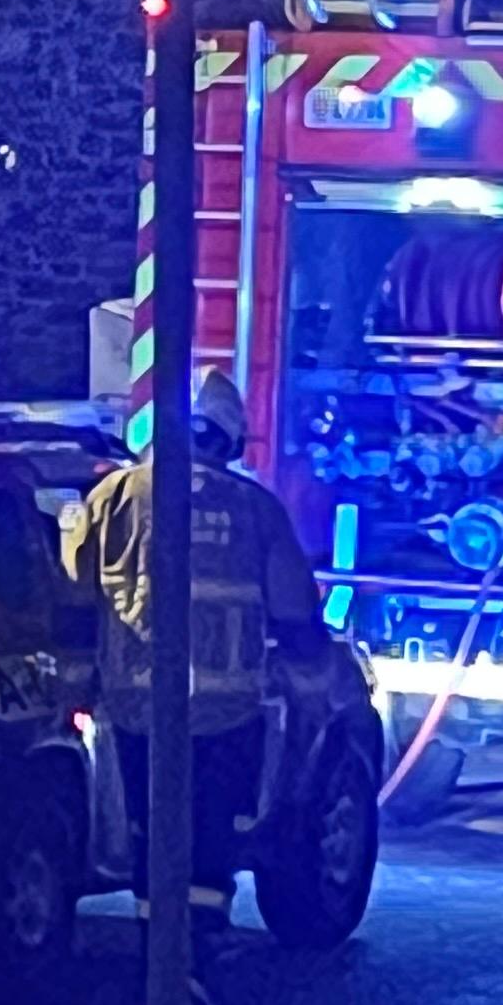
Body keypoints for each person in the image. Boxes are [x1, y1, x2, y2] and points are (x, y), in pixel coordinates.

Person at [69, 369, 327, 961]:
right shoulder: (254, 507)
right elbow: (293, 605)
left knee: (149, 827)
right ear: (228, 442)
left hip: (136, 703)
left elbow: (75, 586)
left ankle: (152, 951)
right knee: (211, 829)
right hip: (225, 711)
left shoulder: (114, 496)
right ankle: (200, 949)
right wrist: (309, 658)